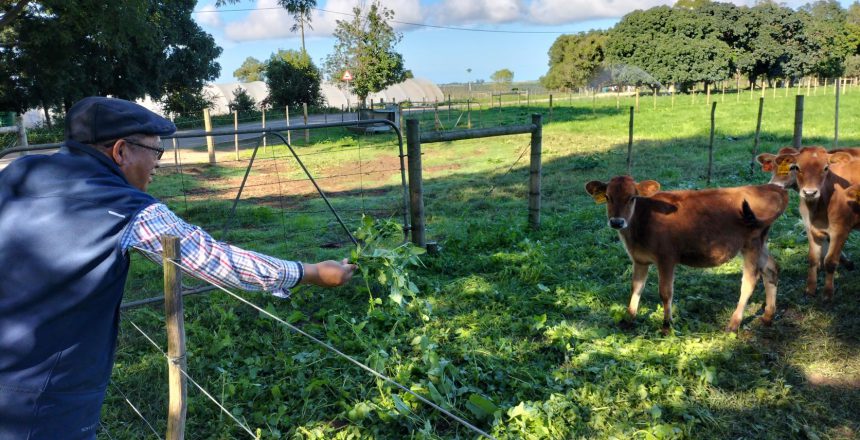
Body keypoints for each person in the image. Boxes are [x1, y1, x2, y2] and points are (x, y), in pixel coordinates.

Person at [0, 96, 357, 439]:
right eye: (155, 151)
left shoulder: (17, 173)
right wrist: (307, 272)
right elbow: (216, 261)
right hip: (44, 390)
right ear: (120, 150)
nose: (159, 163)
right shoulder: (129, 209)